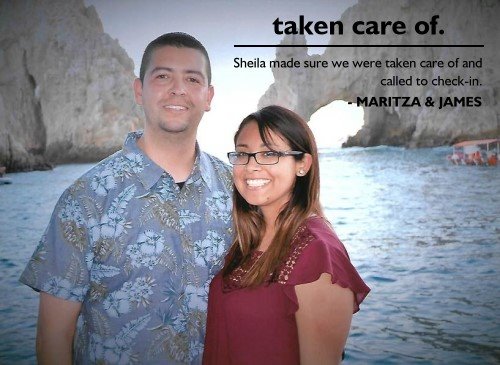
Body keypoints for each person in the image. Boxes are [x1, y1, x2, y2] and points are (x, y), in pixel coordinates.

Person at [20, 32, 233, 364]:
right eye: (163, 76)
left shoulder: (236, 190)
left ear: (208, 96)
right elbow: (53, 336)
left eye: (192, 79)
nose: (178, 88)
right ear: (139, 90)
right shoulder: (86, 198)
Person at [203, 105, 370, 365]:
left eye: (269, 153)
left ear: (302, 164)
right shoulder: (248, 237)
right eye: (243, 155)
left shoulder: (318, 252)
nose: (251, 167)